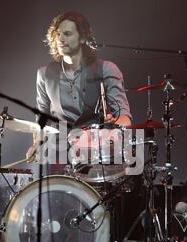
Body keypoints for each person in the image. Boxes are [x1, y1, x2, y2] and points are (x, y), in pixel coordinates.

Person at [26, 11, 132, 165]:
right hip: (60, 156)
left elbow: (125, 118)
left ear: (82, 37)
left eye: (67, 34)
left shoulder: (107, 69)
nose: (61, 39)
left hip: (97, 155)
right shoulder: (44, 74)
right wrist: (37, 143)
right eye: (58, 34)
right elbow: (41, 120)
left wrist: (114, 124)